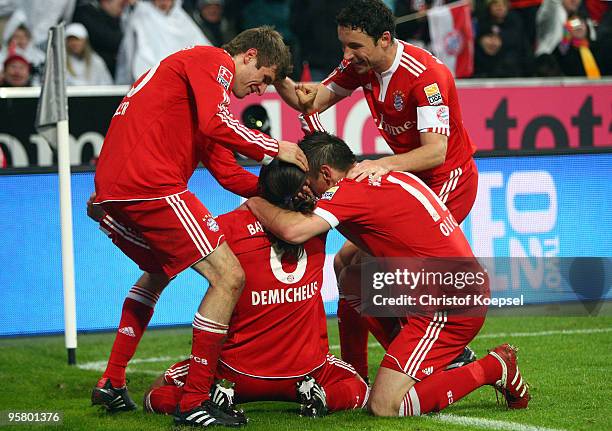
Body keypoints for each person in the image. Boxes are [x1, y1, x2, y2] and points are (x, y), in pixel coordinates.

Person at [91, 26, 307, 427]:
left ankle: (112, 380)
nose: (261, 90)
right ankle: (194, 402)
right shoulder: (212, 61)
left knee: (156, 273)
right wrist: (275, 146)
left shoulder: (197, 86)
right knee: (229, 277)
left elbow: (226, 172)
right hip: (149, 185)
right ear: (249, 56)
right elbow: (215, 124)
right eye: (265, 78)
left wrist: (281, 195)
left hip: (115, 190)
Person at [246, 132, 531, 417]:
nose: (304, 190)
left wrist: (255, 203)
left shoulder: (347, 190)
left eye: (307, 182)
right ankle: (358, 373)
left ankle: (494, 366)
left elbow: (294, 231)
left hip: (449, 306)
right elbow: (350, 257)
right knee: (348, 268)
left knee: (385, 406)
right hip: (450, 286)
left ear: (326, 173)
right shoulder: (378, 174)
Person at [275, 0, 479, 381]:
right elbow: (312, 99)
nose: (347, 55)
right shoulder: (361, 64)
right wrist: (277, 77)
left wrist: (381, 164)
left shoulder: (426, 76)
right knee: (346, 266)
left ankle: (439, 352)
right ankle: (357, 372)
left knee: (377, 270)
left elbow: (435, 152)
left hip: (446, 181)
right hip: (411, 179)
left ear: (385, 39)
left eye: (355, 46)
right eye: (344, 45)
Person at [141, 160, 368, 419]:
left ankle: (218, 396)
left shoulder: (226, 226)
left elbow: (167, 249)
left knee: (156, 392)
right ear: (303, 188)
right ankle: (322, 398)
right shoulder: (316, 221)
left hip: (235, 372)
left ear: (262, 186)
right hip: (307, 370)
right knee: (359, 387)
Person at [115, 0, 212, 84]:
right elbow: (127, 32)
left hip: (182, 81)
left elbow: (204, 51)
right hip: (150, 80)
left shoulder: (182, 18)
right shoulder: (141, 14)